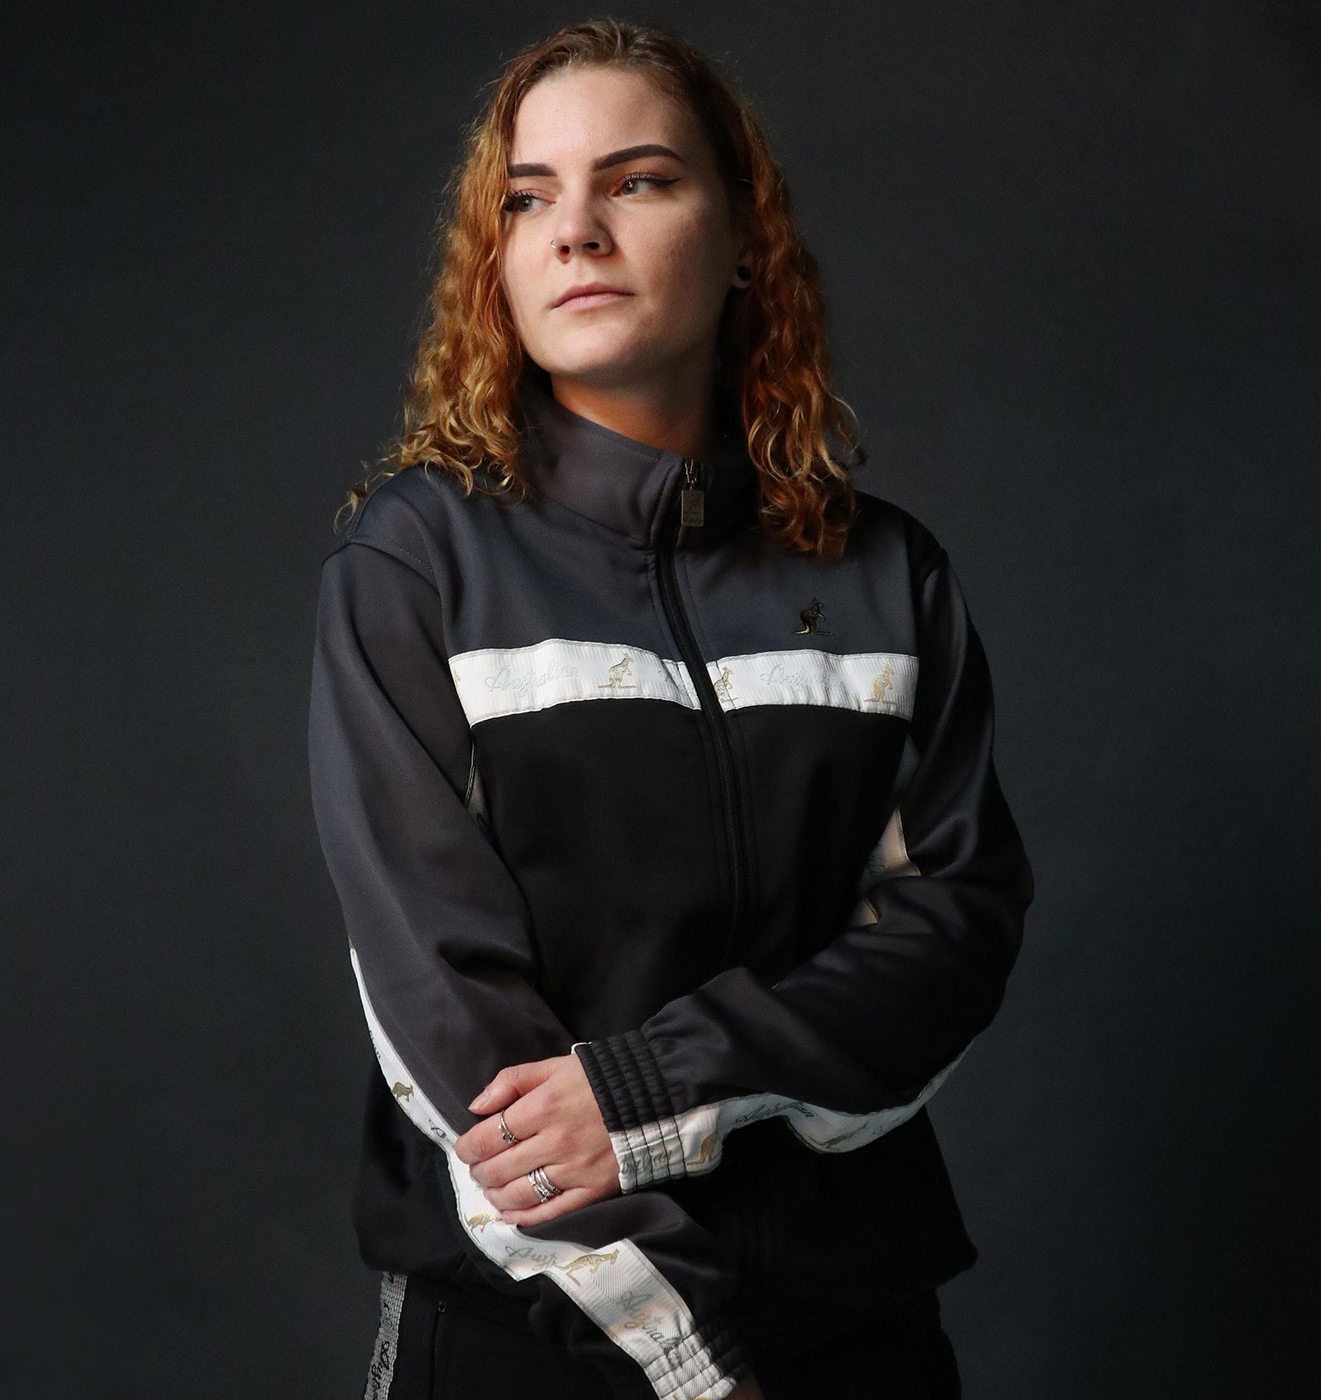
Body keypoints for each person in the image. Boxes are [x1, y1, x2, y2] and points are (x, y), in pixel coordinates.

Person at [308, 17, 1032, 1400]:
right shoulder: (415, 563)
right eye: (528, 199)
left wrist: (653, 1087)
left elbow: (954, 933)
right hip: (533, 1332)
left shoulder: (885, 575)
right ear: (496, 261)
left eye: (637, 180)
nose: (576, 231)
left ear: (747, 234)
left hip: (859, 1325)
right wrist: (686, 1352)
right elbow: (448, 1022)